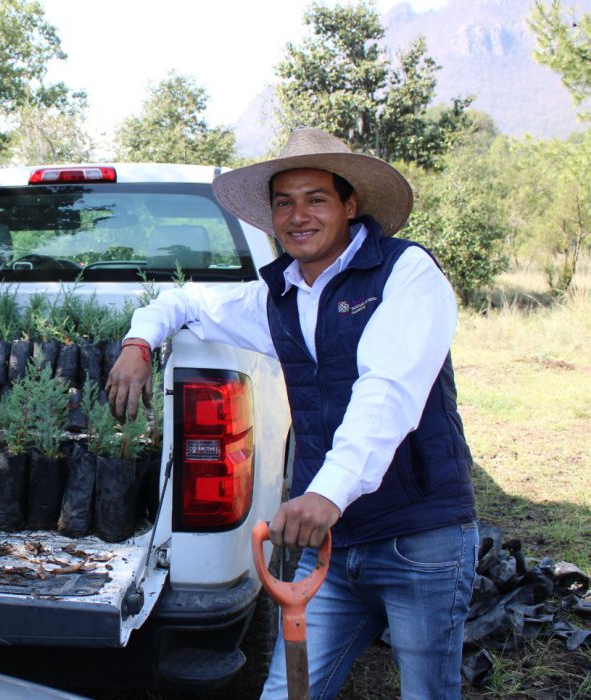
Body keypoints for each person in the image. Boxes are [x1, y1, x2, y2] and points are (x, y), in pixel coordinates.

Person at [106, 128, 478, 699]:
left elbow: (389, 391)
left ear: (350, 206)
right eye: (284, 202)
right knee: (286, 692)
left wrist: (326, 493)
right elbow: (183, 300)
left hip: (417, 536)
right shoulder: (276, 294)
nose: (298, 215)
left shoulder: (406, 274)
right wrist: (138, 343)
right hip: (327, 547)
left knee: (428, 692)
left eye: (316, 199)